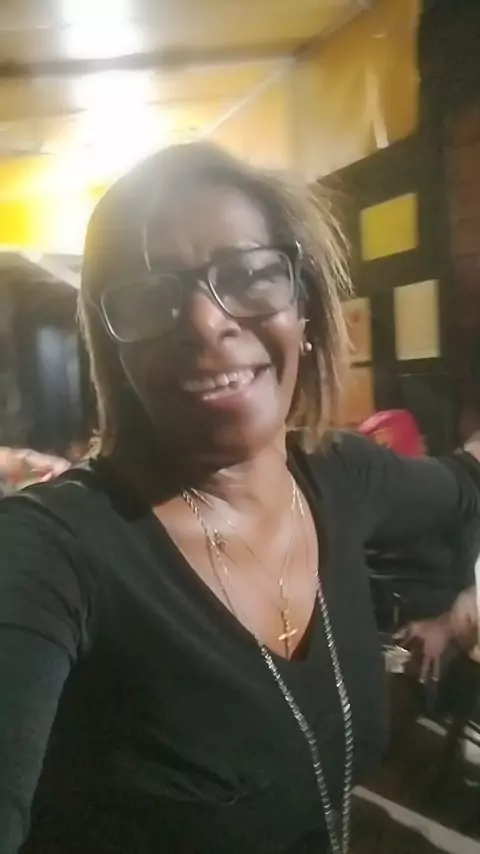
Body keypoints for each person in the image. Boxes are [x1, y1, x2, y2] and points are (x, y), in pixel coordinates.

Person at [1, 142, 480, 854]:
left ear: (305, 309)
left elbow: (466, 485)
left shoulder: (338, 474)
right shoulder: (50, 553)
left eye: (250, 275)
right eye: (150, 294)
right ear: (116, 352)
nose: (204, 321)